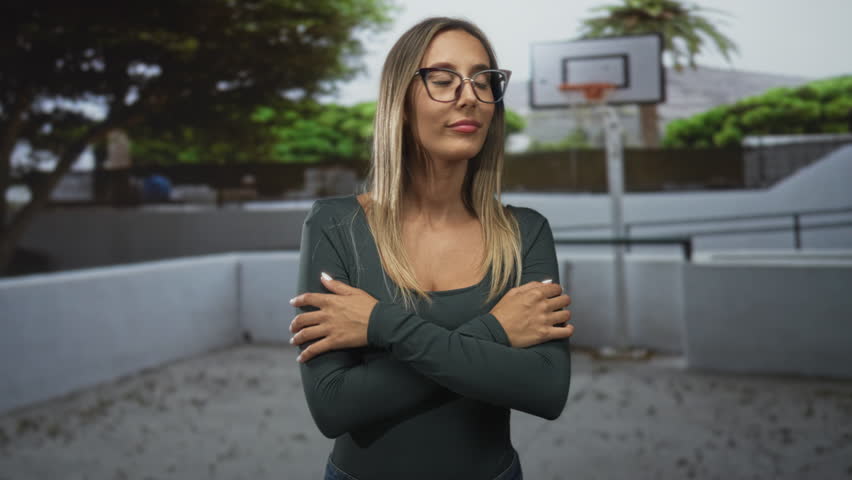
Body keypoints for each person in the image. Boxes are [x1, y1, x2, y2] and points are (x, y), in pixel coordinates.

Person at [289, 17, 574, 480]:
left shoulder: (526, 232)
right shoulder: (336, 223)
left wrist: (381, 325)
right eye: (443, 80)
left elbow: (545, 388)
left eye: (484, 81)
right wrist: (497, 334)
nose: (469, 96)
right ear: (400, 103)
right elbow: (334, 405)